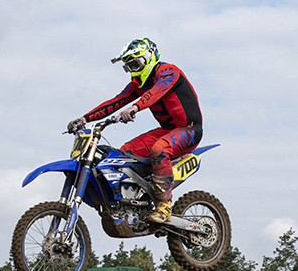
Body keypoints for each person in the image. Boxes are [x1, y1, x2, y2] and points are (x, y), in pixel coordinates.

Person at [67, 38, 202, 224]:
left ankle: (164, 206)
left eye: (135, 64)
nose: (133, 70)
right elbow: (115, 102)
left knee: (159, 149)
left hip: (189, 129)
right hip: (167, 130)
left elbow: (157, 92)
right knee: (124, 153)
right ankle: (138, 200)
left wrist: (135, 107)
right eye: (129, 66)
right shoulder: (138, 83)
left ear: (149, 58)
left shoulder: (169, 72)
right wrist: (84, 119)